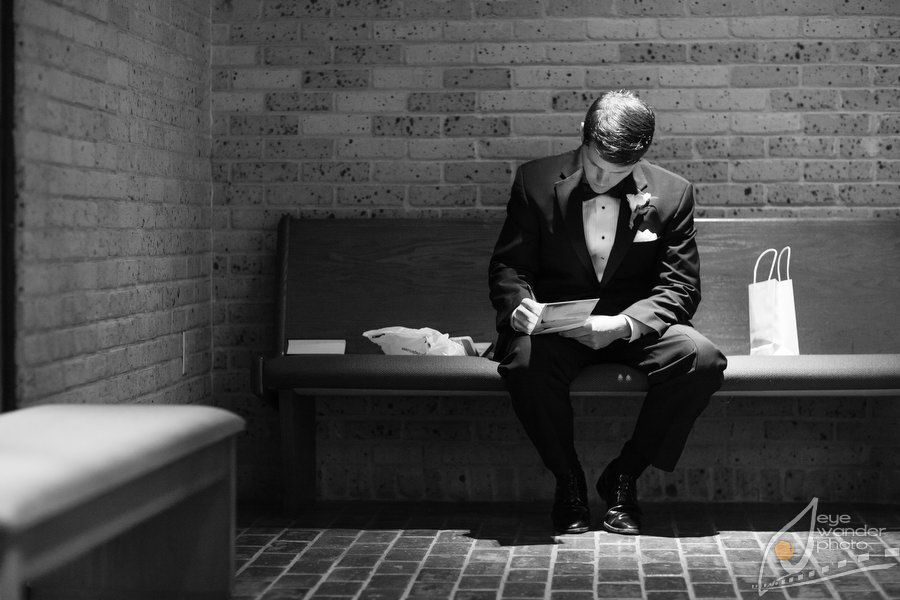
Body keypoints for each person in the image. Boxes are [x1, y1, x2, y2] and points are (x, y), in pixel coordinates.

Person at [488, 90, 727, 535]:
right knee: (523, 365)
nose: (601, 179)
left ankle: (624, 475)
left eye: (617, 172)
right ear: (582, 133)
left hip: (634, 327)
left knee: (703, 359)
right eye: (595, 165)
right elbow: (510, 265)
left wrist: (626, 324)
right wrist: (519, 305)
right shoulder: (533, 181)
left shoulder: (673, 194)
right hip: (558, 328)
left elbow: (681, 286)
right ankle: (569, 481)